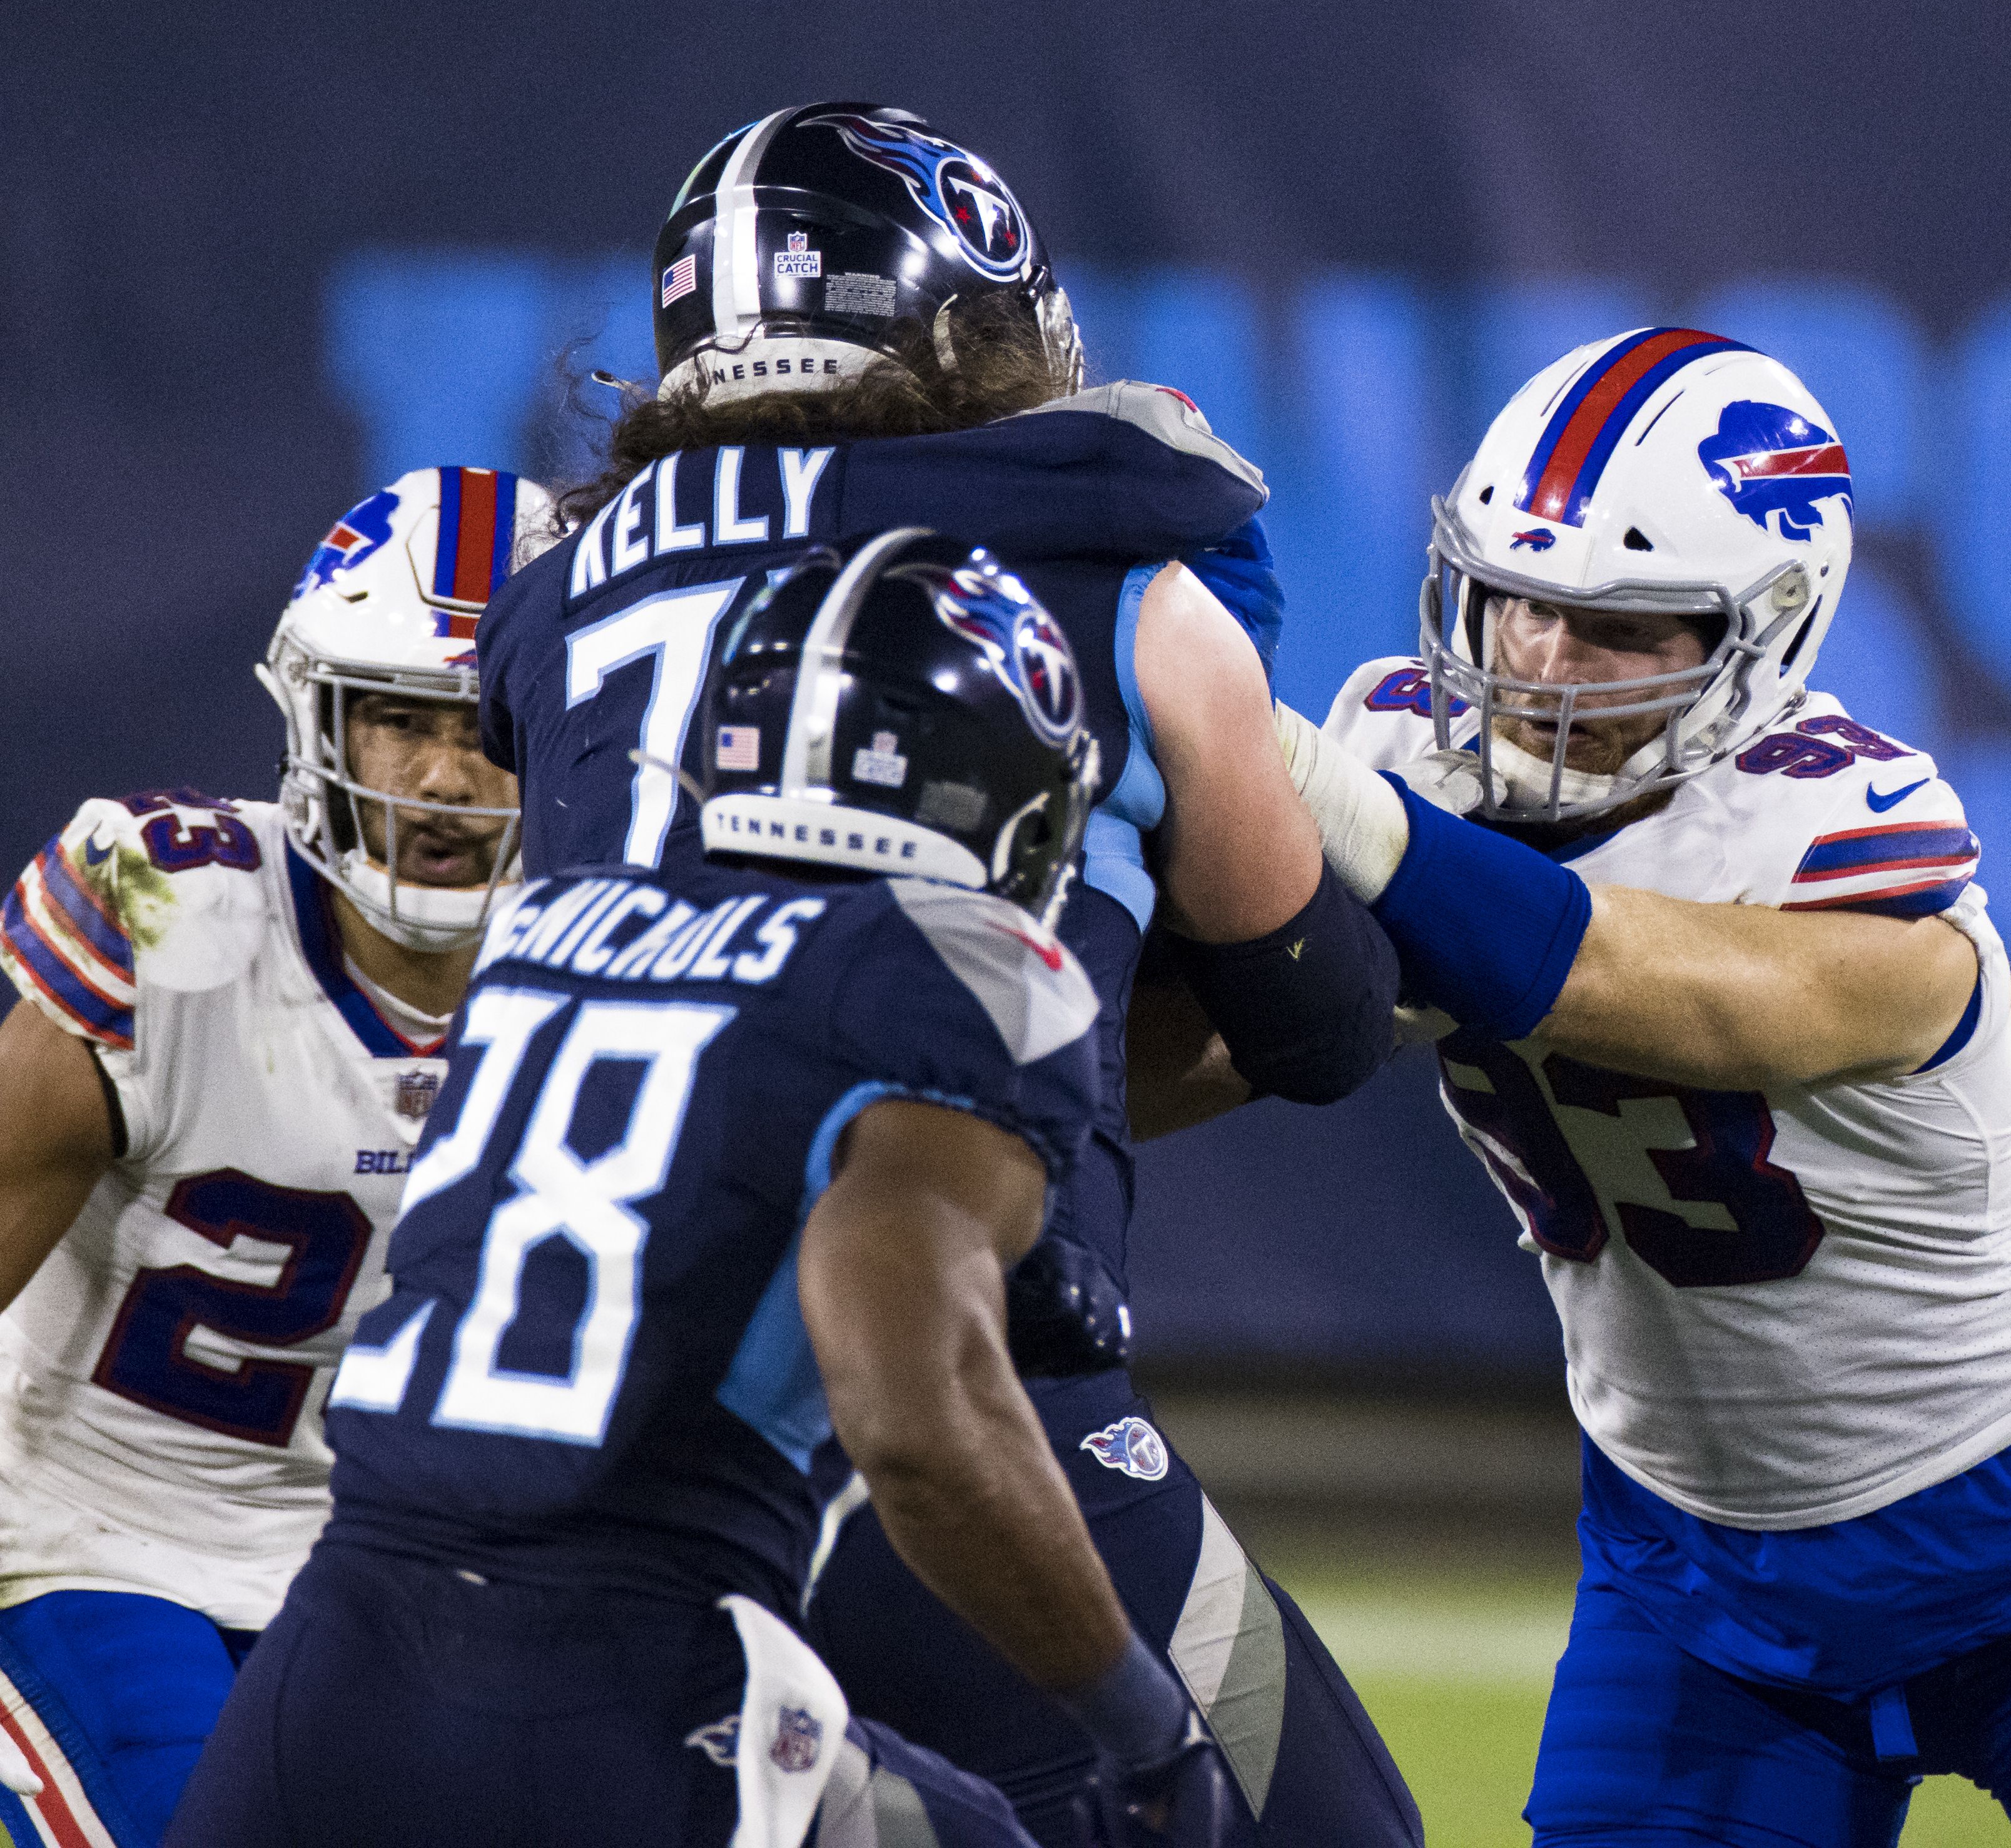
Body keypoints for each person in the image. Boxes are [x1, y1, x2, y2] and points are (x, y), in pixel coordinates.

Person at [474, 103, 1413, 1847]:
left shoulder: (553, 607)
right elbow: (1322, 1017)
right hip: (936, 1385)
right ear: (975, 314)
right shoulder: (1117, 563)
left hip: (562, 1412)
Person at [1274, 326, 2011, 1848]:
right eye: (1515, 602)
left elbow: (1648, 991)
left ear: (1763, 635)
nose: (1538, 664)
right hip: (1692, 1572)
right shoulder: (1409, 761)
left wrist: (1337, 819)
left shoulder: (1841, 820)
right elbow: (1231, 1051)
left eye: (1616, 628)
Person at [173, 530, 1248, 1848]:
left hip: (326, 1657)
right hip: (612, 1677)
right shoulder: (959, 973)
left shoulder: (551, 926)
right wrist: (1146, 1729)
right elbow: (912, 1419)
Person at [0, 467, 542, 1848]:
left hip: (378, 1570)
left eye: (487, 729)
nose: (440, 777)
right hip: (84, 1542)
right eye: (399, 722)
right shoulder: (163, 910)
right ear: (319, 724)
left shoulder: (607, 978)